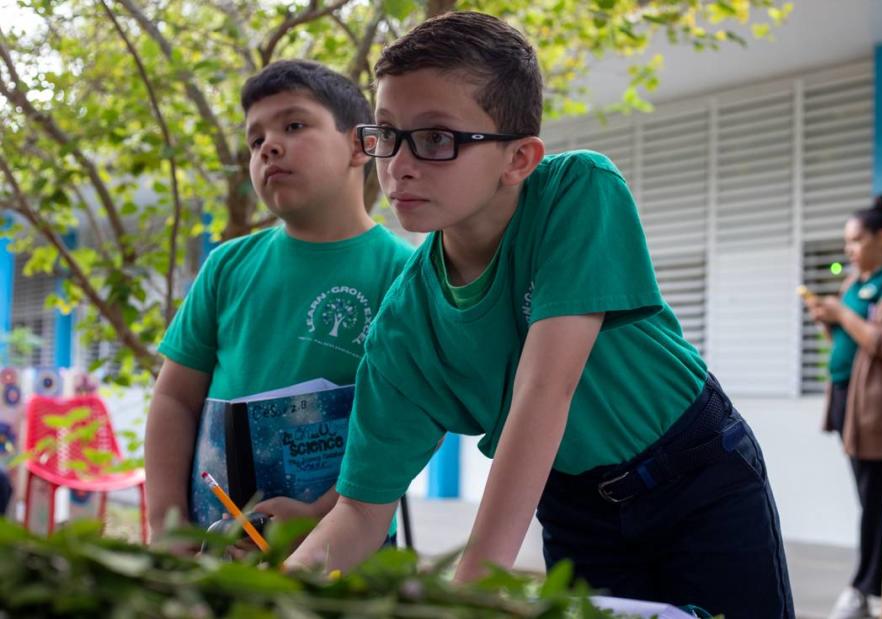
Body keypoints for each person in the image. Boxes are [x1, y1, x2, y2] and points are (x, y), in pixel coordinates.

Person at [285, 11, 795, 618]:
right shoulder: (403, 326)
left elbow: (545, 389)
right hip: (575, 506)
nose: (398, 164)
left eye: (437, 138)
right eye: (387, 135)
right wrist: (273, 594)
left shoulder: (577, 192)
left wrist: (467, 593)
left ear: (519, 158)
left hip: (697, 477)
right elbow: (362, 511)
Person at [144, 60, 413, 540]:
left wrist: (318, 515)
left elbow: (405, 431)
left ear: (359, 145)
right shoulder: (227, 267)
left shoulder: (402, 274)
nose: (268, 146)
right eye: (254, 140)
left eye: (294, 125)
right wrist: (167, 529)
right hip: (214, 548)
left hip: (345, 550)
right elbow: (173, 399)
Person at [805, 195, 882, 619]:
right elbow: (849, 343)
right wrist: (830, 320)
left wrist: (842, 317)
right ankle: (869, 586)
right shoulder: (853, 283)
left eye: (856, 240)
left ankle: (866, 588)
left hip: (877, 411)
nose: (849, 250)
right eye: (846, 242)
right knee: (869, 498)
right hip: (849, 403)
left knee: (877, 499)